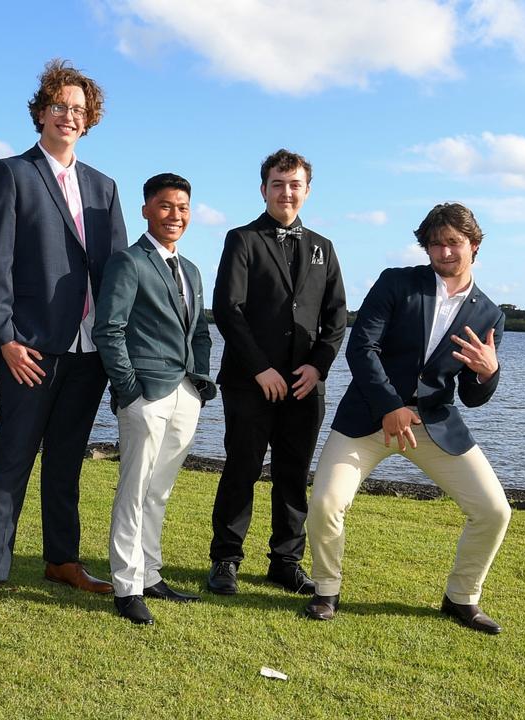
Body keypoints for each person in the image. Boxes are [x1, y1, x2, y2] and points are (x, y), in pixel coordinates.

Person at [0, 59, 128, 616]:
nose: (68, 116)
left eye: (78, 110)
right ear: (41, 112)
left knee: (68, 459)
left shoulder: (104, 186)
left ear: (89, 118)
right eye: (59, 107)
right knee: (10, 458)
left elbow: (118, 273)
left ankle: (62, 559)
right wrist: (3, 336)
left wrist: (117, 341)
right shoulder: (10, 173)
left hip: (88, 349)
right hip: (28, 347)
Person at [304, 202, 510, 634]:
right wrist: (390, 407)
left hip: (434, 423)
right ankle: (326, 590)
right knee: (325, 503)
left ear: (474, 245)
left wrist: (489, 372)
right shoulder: (396, 283)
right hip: (368, 417)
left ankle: (461, 599)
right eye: (435, 244)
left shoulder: (489, 313)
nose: (444, 252)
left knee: (493, 510)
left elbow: (472, 397)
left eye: (454, 242)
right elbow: (362, 347)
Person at [208, 149, 346, 596]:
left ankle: (285, 561)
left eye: (294, 184)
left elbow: (337, 317)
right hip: (251, 383)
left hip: (306, 386)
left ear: (307, 190)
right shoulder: (242, 239)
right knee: (241, 469)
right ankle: (225, 559)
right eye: (277, 184)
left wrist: (318, 366)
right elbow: (229, 310)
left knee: (293, 474)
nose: (286, 192)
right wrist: (261, 369)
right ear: (263, 188)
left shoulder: (324, 248)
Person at [93, 173, 216, 625]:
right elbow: (109, 329)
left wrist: (200, 384)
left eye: (182, 208)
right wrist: (129, 390)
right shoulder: (129, 262)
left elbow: (200, 332)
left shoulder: (192, 270)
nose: (175, 215)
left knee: (159, 490)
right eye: (165, 206)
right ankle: (126, 586)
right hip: (145, 395)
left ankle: (150, 574)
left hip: (185, 393)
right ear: (146, 210)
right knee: (134, 489)